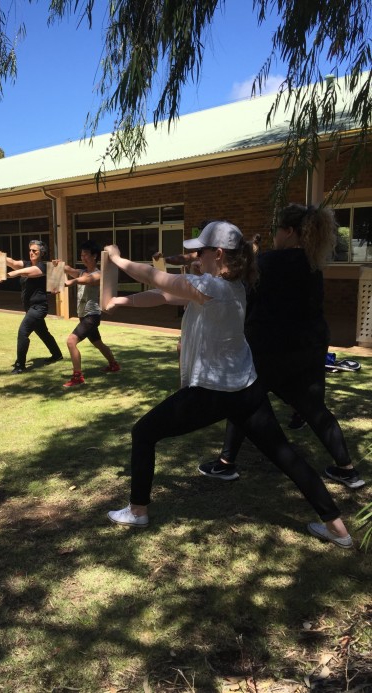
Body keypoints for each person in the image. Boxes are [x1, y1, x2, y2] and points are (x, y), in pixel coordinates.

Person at [104, 221, 352, 549]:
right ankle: (337, 529)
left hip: (213, 392)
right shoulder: (231, 286)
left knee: (144, 432)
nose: (195, 255)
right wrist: (123, 303)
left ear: (217, 254)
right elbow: (165, 294)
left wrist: (118, 260)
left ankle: (137, 510)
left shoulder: (215, 289)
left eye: (201, 251)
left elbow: (157, 277)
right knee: (286, 456)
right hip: (246, 389)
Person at [199, 204, 364, 490]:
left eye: (278, 229)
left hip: (270, 349)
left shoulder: (269, 263)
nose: (275, 235)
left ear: (288, 232)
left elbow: (242, 295)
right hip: (309, 348)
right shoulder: (313, 266)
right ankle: (347, 470)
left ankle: (226, 464)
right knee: (314, 409)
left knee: (243, 398)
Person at [0, 241, 63, 374]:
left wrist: (9, 275)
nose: (31, 252)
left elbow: (28, 272)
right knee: (42, 332)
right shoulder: (25, 263)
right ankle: (57, 354)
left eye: (35, 251)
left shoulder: (43, 266)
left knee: (23, 332)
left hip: (39, 307)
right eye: (30, 250)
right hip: (29, 307)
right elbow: (13, 262)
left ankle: (20, 365)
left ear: (42, 253)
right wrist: (1, 257)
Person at [61, 240, 120, 388]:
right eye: (81, 255)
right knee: (98, 343)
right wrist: (59, 265)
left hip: (92, 316)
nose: (83, 257)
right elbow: (69, 269)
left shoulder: (99, 274)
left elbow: (88, 280)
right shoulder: (81, 271)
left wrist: (72, 282)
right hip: (84, 316)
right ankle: (114, 365)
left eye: (86, 255)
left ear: (95, 256)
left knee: (71, 341)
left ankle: (77, 376)